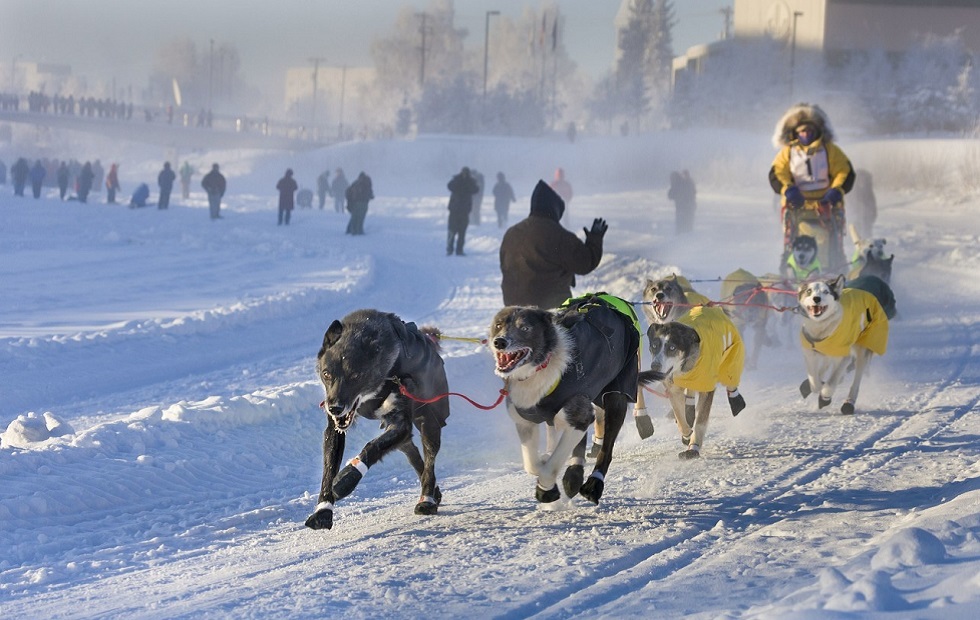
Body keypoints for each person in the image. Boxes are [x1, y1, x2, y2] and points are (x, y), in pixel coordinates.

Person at [770, 102, 855, 272]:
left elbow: (844, 171)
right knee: (797, 240)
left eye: (809, 131)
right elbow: (778, 172)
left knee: (829, 242)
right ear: (795, 132)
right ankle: (795, 274)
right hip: (797, 205)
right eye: (802, 131)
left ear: (817, 131)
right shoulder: (788, 152)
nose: (806, 134)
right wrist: (788, 189)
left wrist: (836, 190)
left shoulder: (830, 150)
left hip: (826, 205)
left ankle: (829, 271)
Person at [499, 180, 607, 309]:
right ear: (554, 209)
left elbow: (504, 266)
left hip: (514, 309)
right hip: (548, 311)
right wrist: (594, 238)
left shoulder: (512, 233)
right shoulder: (558, 235)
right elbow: (584, 264)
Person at [446, 167, 479, 256]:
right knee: (452, 231)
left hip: (463, 210)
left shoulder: (470, 182)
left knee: (461, 232)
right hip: (456, 210)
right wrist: (459, 180)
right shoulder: (457, 180)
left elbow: (476, 190)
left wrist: (469, 181)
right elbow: (450, 186)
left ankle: (458, 250)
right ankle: (450, 249)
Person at [849, 169, 878, 240]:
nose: (862, 183)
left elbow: (872, 203)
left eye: (864, 181)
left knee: (867, 233)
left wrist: (873, 214)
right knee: (856, 233)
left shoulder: (868, 190)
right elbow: (850, 203)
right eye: (861, 180)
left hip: (866, 217)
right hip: (855, 216)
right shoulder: (853, 190)